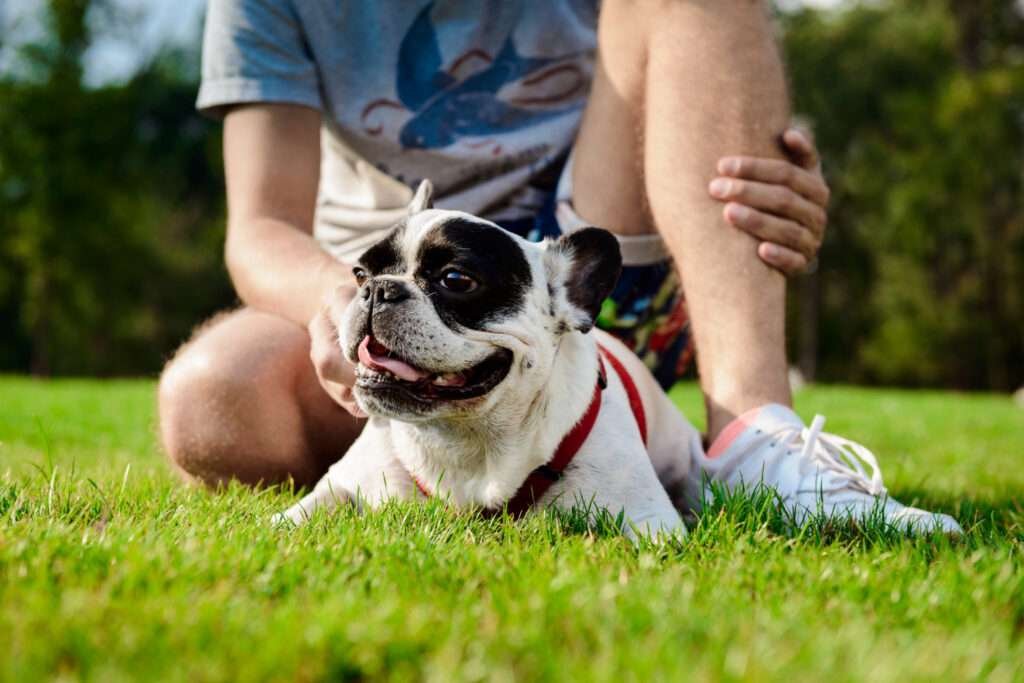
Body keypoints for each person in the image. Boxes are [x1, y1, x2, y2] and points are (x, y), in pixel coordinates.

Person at [159, 0, 959, 532]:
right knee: (209, 400)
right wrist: (346, 299)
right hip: (377, 272)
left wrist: (755, 151)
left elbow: (701, 49)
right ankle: (417, 463)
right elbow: (260, 225)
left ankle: (751, 429)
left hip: (607, 250)